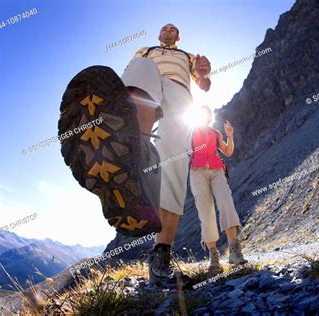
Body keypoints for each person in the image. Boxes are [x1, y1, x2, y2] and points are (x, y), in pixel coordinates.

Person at [58, 23, 211, 286]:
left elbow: (205, 85)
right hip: (149, 83)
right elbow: (129, 79)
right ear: (159, 34)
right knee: (142, 68)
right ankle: (131, 147)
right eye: (164, 28)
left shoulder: (189, 57)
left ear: (178, 36)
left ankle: (160, 258)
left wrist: (204, 72)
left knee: (174, 166)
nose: (168, 30)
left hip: (180, 94)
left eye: (173, 29)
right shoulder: (146, 51)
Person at [189, 106, 247, 274]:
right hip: (197, 172)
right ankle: (213, 256)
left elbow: (227, 152)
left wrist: (229, 135)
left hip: (216, 170)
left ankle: (234, 251)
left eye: (207, 114)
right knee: (205, 212)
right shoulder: (190, 132)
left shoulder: (216, 134)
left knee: (226, 201)